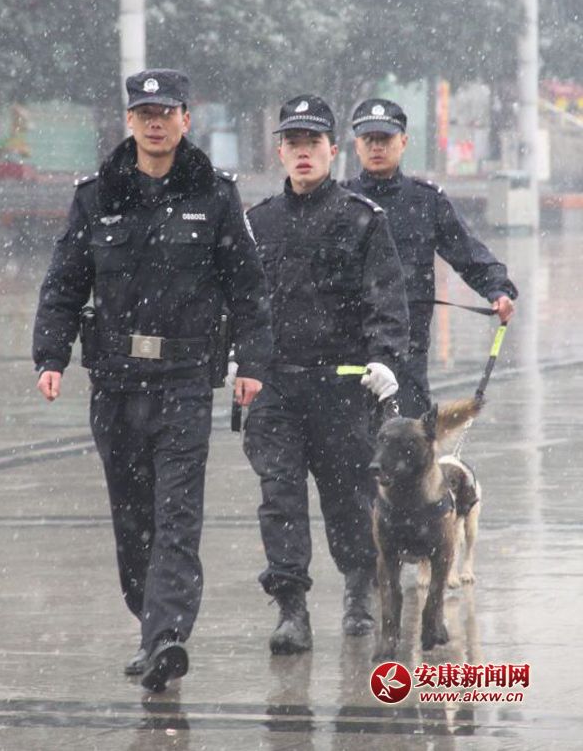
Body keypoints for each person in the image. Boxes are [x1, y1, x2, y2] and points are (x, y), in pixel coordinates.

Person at [33, 69, 272, 692]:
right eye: (145, 114)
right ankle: (150, 624)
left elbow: (249, 288)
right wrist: (50, 357)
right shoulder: (97, 196)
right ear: (130, 122)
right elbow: (64, 283)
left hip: (185, 382)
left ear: (186, 119)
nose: (156, 123)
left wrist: (252, 364)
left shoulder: (215, 195)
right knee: (132, 517)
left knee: (177, 515)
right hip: (115, 384)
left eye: (166, 112)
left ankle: (167, 634)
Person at [242, 94, 409, 653]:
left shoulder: (362, 219)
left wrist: (384, 359)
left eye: (313, 142)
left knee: (348, 497)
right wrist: (235, 357)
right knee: (280, 496)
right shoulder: (257, 222)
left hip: (342, 386)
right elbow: (240, 302)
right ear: (280, 152)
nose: (303, 152)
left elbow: (386, 299)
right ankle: (291, 607)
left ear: (333, 150)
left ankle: (360, 586)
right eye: (293, 142)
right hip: (276, 386)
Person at [344, 98, 517, 417]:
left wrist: (497, 290)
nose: (377, 147)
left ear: (403, 142)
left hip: (408, 351)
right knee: (351, 441)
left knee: (411, 437)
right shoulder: (341, 202)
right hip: (349, 349)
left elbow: (467, 253)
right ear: (357, 145)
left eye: (385, 139)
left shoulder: (426, 200)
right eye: (369, 139)